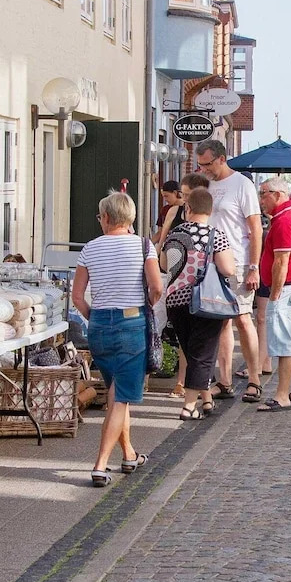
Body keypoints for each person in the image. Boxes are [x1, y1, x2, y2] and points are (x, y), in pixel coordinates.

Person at [72, 191, 163, 488]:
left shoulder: (89, 249)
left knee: (115, 393)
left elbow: (77, 297)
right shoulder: (143, 246)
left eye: (100, 217)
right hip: (131, 324)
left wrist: (94, 318)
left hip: (98, 324)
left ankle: (129, 454)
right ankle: (99, 465)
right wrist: (145, 306)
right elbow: (156, 287)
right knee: (121, 397)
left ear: (107, 217)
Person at [195, 139, 264, 404]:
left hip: (238, 261)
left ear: (222, 159)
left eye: (208, 164)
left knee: (243, 319)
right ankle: (224, 381)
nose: (204, 170)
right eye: (200, 165)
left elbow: (255, 229)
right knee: (220, 321)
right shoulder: (207, 185)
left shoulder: (242, 185)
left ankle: (255, 379)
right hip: (210, 263)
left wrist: (253, 267)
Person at [160, 188, 236, 421]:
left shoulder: (174, 235)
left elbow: (164, 265)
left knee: (193, 352)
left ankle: (207, 399)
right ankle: (189, 407)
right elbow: (228, 269)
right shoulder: (216, 235)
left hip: (175, 302)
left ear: (188, 208)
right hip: (205, 301)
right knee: (202, 355)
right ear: (210, 210)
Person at [255, 177, 291, 412]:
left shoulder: (283, 221)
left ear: (278, 195)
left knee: (284, 344)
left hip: (288, 289)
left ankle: (282, 395)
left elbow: (281, 261)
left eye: (264, 193)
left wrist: (275, 295)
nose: (261, 199)